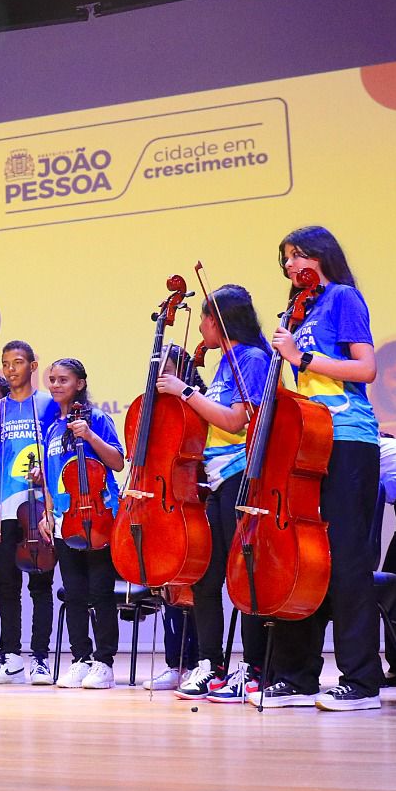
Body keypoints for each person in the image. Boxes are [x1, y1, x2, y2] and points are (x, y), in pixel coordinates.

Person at [251, 226, 383, 711]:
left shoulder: (343, 297)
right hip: (307, 444)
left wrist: (301, 356)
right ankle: (297, 675)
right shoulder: (299, 310)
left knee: (347, 561)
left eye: (299, 255)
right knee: (302, 558)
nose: (290, 265)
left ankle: (361, 682)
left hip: (347, 437)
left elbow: (365, 369)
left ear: (323, 255)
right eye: (286, 258)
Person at [152, 287, 272, 703]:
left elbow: (237, 421)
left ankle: (253, 668)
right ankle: (209, 663)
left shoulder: (252, 359)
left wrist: (185, 392)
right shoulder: (225, 363)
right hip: (215, 480)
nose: (201, 327)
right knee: (205, 574)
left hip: (242, 476)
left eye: (204, 319)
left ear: (219, 320)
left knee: (244, 575)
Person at [38, 358, 125, 690]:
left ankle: (104, 662)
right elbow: (51, 479)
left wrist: (88, 435)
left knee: (100, 591)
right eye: (52, 379)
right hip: (66, 519)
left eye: (63, 379)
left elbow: (117, 461)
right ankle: (80, 658)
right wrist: (47, 513)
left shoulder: (97, 418)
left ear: (80, 384)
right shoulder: (51, 429)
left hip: (100, 517)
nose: (55, 385)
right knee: (73, 593)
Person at [0, 340, 61, 686]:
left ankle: (40, 659)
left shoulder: (49, 404)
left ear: (33, 366)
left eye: (18, 362)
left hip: (39, 508)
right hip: (3, 508)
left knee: (40, 584)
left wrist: (48, 487)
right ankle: (10, 658)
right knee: (8, 585)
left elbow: (58, 453)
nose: (11, 369)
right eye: (5, 364)